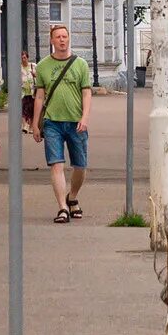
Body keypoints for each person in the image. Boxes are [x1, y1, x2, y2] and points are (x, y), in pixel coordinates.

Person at [34, 24, 94, 224]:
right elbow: (40, 96)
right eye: (58, 37)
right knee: (56, 164)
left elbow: (86, 92)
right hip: (52, 122)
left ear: (69, 39)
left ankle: (73, 196)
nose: (61, 40)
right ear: (51, 41)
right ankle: (62, 208)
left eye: (65, 36)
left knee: (80, 166)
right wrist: (35, 124)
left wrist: (85, 117)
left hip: (76, 122)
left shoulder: (81, 65)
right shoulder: (43, 66)